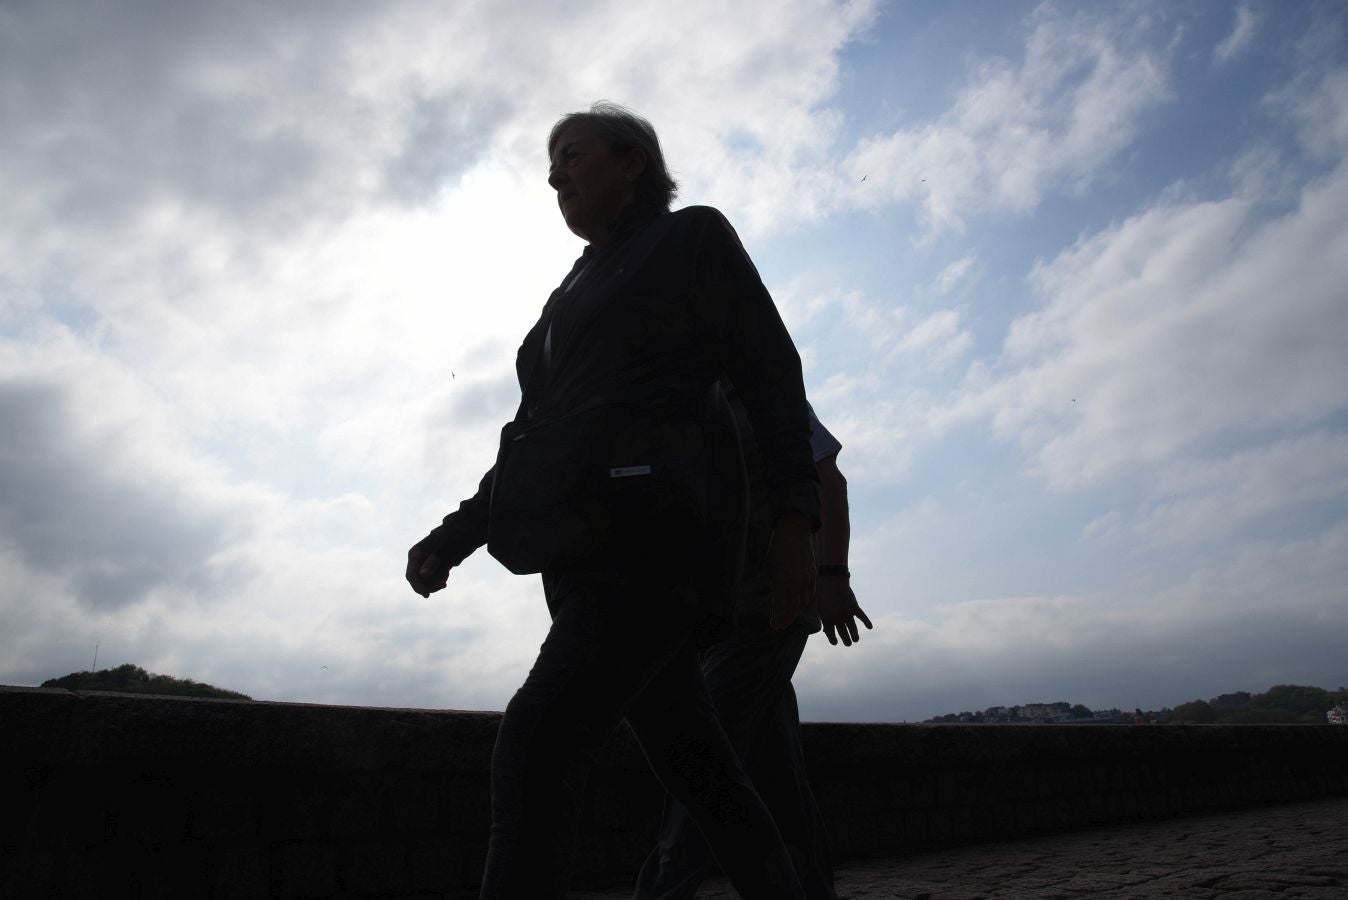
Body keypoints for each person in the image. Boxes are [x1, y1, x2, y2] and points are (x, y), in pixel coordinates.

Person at [405, 103, 819, 899]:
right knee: (706, 777)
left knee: (537, 742)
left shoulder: (691, 237)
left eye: (572, 155)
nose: (555, 174)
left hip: (658, 549)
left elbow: (772, 371)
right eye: (549, 165)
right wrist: (453, 536)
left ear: (634, 163)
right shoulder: (564, 302)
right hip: (584, 560)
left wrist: (795, 519)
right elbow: (534, 443)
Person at [634, 400, 872, 900]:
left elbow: (830, 483)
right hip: (718, 618)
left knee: (702, 761)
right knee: (776, 776)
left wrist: (832, 576)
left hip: (770, 606)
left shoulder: (761, 384)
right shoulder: (678, 391)